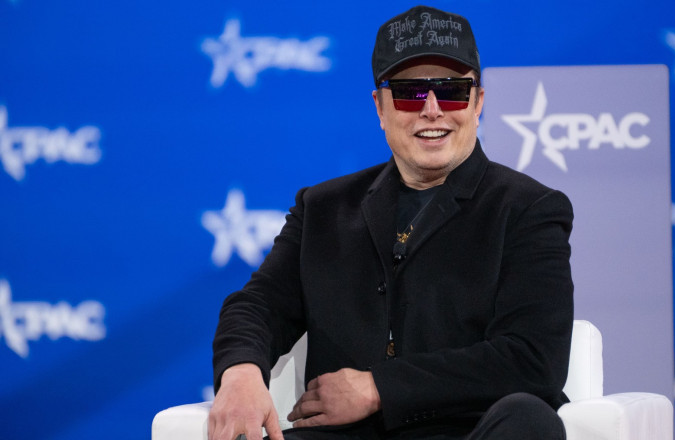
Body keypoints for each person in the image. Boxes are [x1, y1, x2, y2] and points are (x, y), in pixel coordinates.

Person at [208, 5, 573, 440]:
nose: (432, 110)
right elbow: (257, 306)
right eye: (410, 93)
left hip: (467, 431)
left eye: (452, 91)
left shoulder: (529, 208)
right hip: (343, 437)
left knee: (529, 421)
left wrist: (378, 387)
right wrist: (241, 371)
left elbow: (533, 361)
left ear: (478, 103)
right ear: (380, 108)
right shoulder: (321, 208)